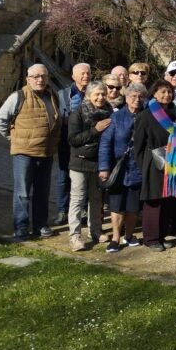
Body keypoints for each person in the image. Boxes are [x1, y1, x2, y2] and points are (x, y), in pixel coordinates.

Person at [0, 64, 61, 242]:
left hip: (46, 152)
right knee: (22, 193)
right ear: (28, 79)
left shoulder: (52, 95)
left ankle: (40, 225)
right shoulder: (19, 96)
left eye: (44, 76)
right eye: (36, 76)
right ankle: (21, 228)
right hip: (24, 154)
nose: (40, 79)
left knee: (42, 192)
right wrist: (13, 138)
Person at [133, 80, 176, 251]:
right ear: (154, 93)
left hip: (173, 163)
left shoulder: (175, 114)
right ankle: (151, 239)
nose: (167, 95)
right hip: (153, 163)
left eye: (169, 92)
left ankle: (161, 235)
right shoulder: (145, 115)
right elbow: (138, 145)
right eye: (162, 92)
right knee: (154, 201)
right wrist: (143, 165)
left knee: (168, 200)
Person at [98, 83, 147, 252]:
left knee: (133, 206)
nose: (137, 99)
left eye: (140, 96)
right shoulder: (116, 118)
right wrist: (104, 168)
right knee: (117, 205)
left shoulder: (147, 116)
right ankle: (116, 237)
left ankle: (129, 235)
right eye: (133, 96)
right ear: (126, 98)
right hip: (118, 168)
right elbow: (105, 144)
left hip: (138, 168)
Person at [67, 80, 113, 251]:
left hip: (99, 162)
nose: (100, 97)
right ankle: (75, 236)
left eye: (103, 94)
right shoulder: (77, 113)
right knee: (77, 199)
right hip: (80, 161)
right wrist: (95, 130)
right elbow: (73, 140)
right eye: (97, 95)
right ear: (88, 96)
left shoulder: (109, 111)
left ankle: (95, 230)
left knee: (96, 199)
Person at [55, 62, 91, 226]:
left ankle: (83, 209)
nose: (86, 76)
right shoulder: (63, 95)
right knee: (64, 177)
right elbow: (57, 117)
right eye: (82, 73)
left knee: (84, 176)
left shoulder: (94, 92)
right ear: (73, 76)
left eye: (88, 73)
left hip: (87, 141)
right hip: (67, 142)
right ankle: (62, 210)